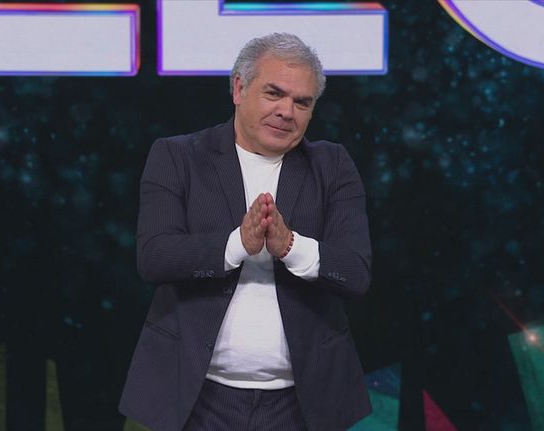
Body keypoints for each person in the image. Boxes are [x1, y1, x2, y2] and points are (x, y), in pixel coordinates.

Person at [120, 33, 372, 431]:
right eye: (274, 93)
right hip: (197, 397)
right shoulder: (178, 156)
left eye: (302, 102)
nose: (286, 111)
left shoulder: (333, 165)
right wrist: (237, 244)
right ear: (239, 88)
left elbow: (355, 273)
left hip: (302, 402)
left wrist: (289, 246)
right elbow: (154, 257)